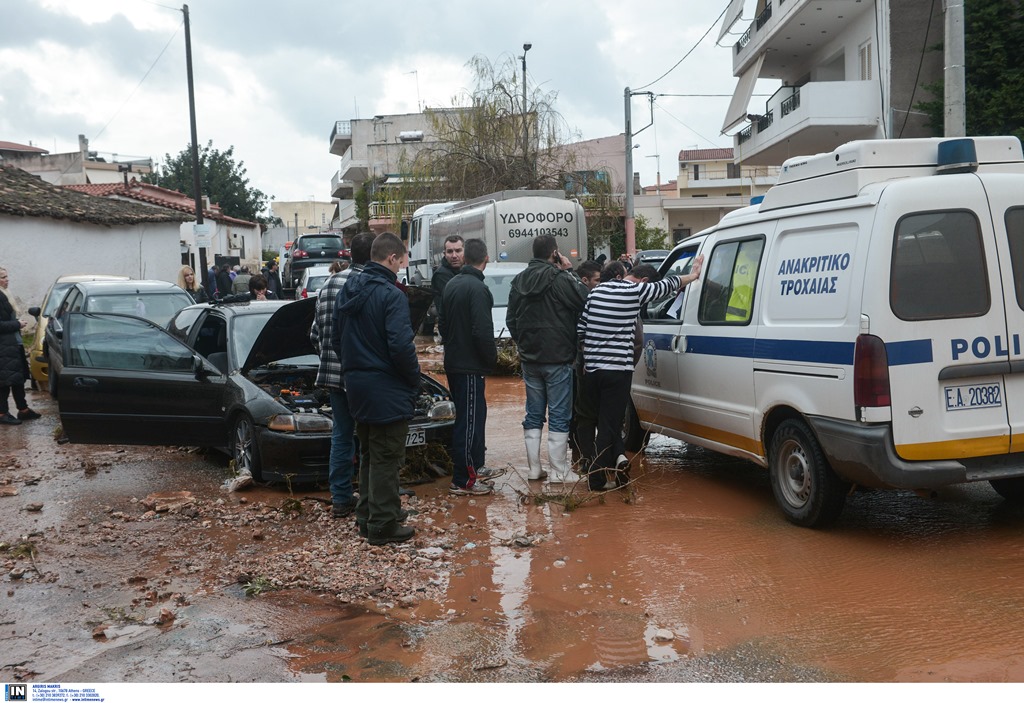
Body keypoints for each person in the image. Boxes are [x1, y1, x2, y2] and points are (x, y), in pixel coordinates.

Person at [577, 259, 703, 490]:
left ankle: (619, 461)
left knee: (605, 422)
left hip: (592, 371)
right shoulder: (634, 291)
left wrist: (589, 359)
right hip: (617, 371)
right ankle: (596, 480)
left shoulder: (595, 292)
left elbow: (581, 329)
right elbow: (668, 285)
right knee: (608, 425)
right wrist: (693, 276)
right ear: (643, 281)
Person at [331, 232, 419, 545]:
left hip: (356, 383)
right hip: (385, 385)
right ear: (392, 258)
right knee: (386, 456)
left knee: (369, 451)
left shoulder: (348, 289)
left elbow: (335, 340)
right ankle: (383, 525)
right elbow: (400, 345)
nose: (403, 264)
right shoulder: (391, 294)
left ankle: (369, 516)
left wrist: (355, 368)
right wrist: (413, 378)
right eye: (403, 258)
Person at [506, 234, 589, 484]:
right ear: (554, 253)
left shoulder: (519, 280)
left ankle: (534, 469)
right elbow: (585, 299)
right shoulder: (560, 278)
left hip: (530, 358)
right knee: (559, 413)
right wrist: (570, 271)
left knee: (533, 413)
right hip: (559, 357)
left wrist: (523, 343)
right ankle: (559, 471)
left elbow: (511, 320)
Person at [440, 238, 500, 496]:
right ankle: (463, 479)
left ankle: (474, 467)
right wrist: (491, 360)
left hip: (454, 362)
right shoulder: (477, 289)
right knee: (469, 422)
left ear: (465, 258)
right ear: (486, 258)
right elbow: (482, 331)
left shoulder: (452, 284)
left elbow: (441, 324)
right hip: (469, 365)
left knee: (470, 417)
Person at [309, 260, 357, 518]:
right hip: (365, 376)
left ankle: (340, 498)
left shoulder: (328, 284)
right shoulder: (370, 282)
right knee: (373, 435)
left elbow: (315, 334)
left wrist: (328, 358)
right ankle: (375, 496)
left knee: (341, 435)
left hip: (334, 375)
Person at [0, 268, 40, 425]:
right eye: (3, 277)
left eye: (7, 276)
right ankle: (2, 413)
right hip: (3, 346)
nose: (7, 279)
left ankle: (23, 410)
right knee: (3, 382)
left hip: (12, 344)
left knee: (18, 379)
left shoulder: (5, 294)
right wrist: (17, 324)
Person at [431, 235, 464, 339]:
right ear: (444, 254)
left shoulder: (465, 271)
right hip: (453, 332)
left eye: (458, 251)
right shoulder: (441, 275)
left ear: (464, 252)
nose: (454, 255)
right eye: (450, 252)